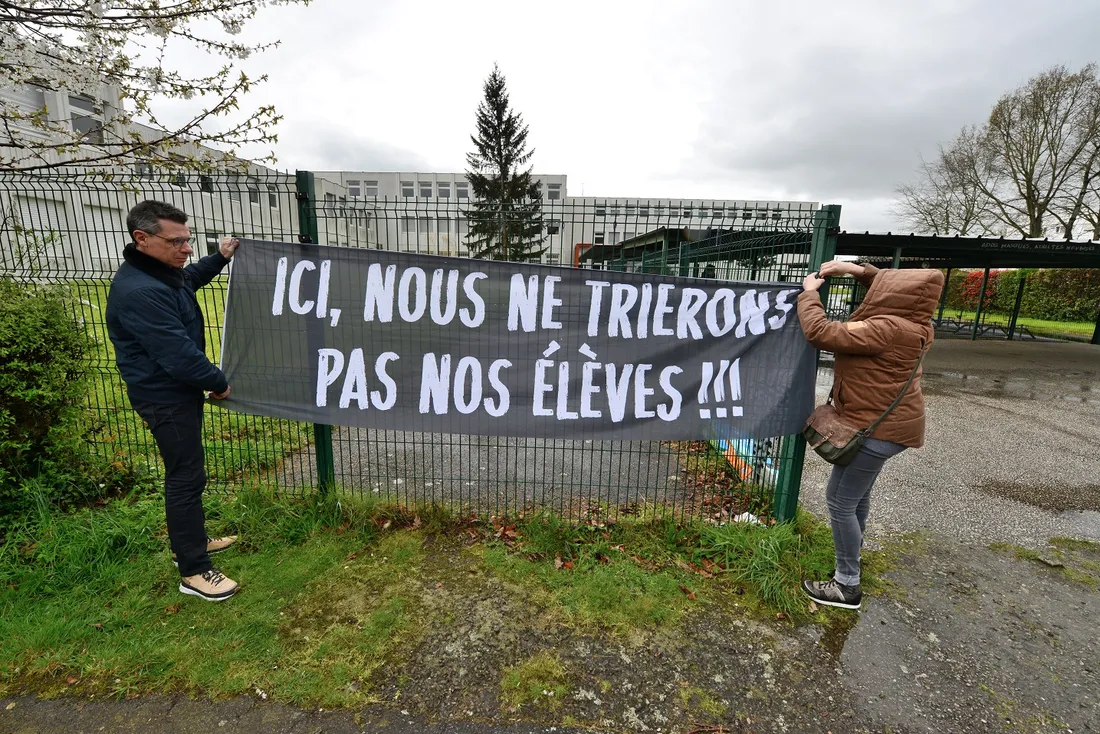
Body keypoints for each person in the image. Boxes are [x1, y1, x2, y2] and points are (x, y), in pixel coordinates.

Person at [106, 200, 241, 602]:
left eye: (188, 240)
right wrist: (217, 382)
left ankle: (192, 541)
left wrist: (219, 257)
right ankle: (194, 570)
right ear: (142, 239)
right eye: (177, 241)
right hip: (164, 398)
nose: (186, 249)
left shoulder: (161, 273)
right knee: (185, 477)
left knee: (189, 474)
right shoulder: (141, 291)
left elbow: (190, 278)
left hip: (175, 393)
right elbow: (178, 354)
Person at [797, 260, 944, 610]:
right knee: (855, 497)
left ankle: (847, 585)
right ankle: (852, 556)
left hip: (876, 429)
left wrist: (808, 295)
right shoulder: (919, 323)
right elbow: (887, 285)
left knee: (839, 500)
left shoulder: (887, 328)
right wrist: (853, 269)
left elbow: (820, 332)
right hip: (889, 426)